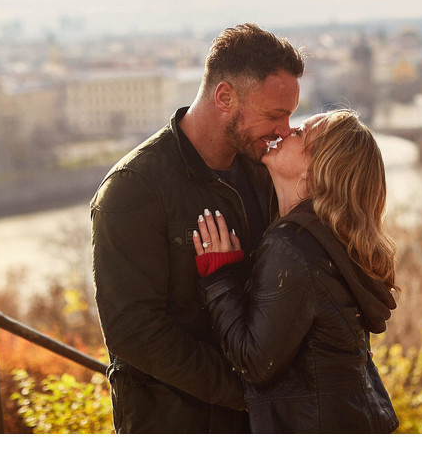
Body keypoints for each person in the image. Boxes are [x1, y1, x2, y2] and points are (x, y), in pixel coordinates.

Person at [90, 23, 305, 433]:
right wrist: (248, 392)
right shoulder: (134, 188)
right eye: (275, 115)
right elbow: (133, 332)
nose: (284, 131)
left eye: (290, 116)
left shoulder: (265, 170)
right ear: (224, 96)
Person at [192, 109, 399, 433]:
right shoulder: (327, 240)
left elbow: (256, 363)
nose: (285, 132)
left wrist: (219, 276)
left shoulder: (293, 246)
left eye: (300, 134)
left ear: (315, 172)